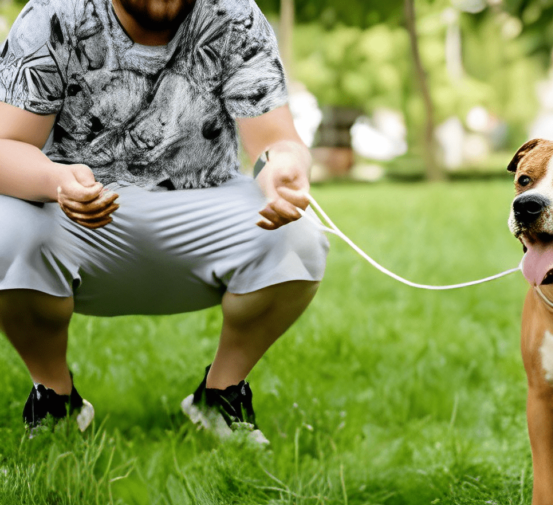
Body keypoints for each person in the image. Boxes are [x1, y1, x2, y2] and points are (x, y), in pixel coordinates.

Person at [0, 0, 329, 443]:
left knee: (300, 237)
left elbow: (277, 141)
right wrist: (56, 181)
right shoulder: (54, 14)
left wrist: (283, 164)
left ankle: (220, 395)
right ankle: (55, 400)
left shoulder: (234, 15)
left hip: (201, 205)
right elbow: (6, 146)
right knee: (5, 231)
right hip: (75, 213)